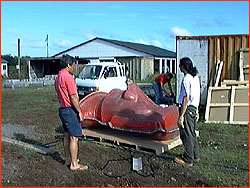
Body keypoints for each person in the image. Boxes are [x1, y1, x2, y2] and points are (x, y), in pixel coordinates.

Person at [54, 54, 88, 171]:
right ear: (68, 65)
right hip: (70, 110)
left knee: (67, 135)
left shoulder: (58, 77)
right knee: (74, 137)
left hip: (62, 109)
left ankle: (68, 159)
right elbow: (73, 96)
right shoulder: (68, 77)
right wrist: (79, 112)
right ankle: (74, 164)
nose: (73, 67)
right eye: (72, 65)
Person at [174, 57, 200, 167]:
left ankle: (188, 159)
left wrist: (181, 115)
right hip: (194, 108)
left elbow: (186, 98)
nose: (179, 67)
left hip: (187, 108)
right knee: (192, 132)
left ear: (183, 67)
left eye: (180, 65)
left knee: (186, 133)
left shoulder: (186, 79)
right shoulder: (195, 77)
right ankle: (195, 155)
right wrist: (197, 110)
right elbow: (196, 94)